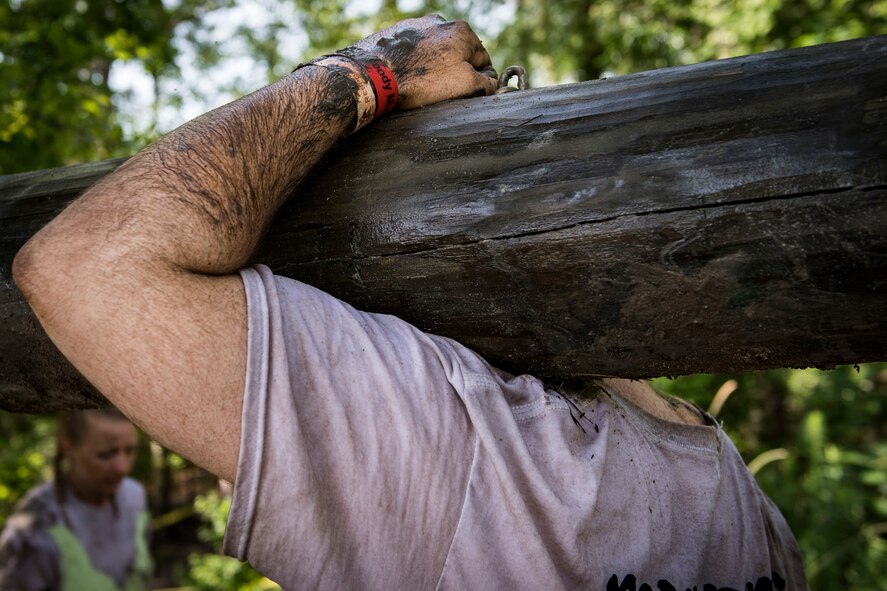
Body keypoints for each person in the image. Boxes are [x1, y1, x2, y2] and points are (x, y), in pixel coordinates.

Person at [12, 15, 807, 590]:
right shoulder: (722, 488)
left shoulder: (474, 459)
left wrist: (380, 68)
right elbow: (80, 269)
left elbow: (88, 264)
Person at [0, 408, 153, 591]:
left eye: (129, 451)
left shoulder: (134, 496)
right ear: (68, 447)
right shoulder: (36, 525)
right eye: (105, 454)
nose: (122, 467)